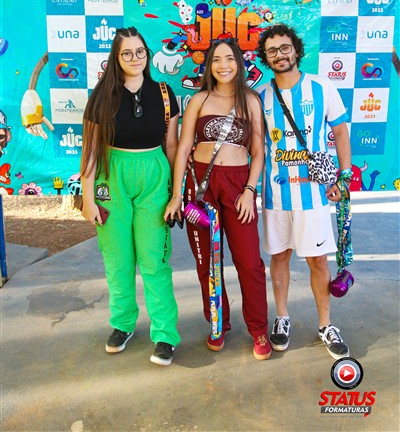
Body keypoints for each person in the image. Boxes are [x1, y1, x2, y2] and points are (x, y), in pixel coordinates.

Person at [165, 38, 271, 360]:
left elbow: (258, 152)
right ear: (209, 66)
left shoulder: (250, 101)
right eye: (216, 60)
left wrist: (250, 190)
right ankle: (217, 323)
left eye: (229, 59)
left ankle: (258, 328)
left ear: (239, 63)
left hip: (238, 187)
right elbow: (184, 146)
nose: (223, 65)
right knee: (207, 263)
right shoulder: (199, 100)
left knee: (250, 263)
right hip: (200, 188)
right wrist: (176, 195)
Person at [80, 26, 180, 366]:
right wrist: (88, 199)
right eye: (127, 53)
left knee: (155, 261)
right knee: (117, 259)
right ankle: (122, 324)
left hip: (154, 178)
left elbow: (172, 147)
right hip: (112, 178)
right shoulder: (101, 96)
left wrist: (176, 194)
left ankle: (165, 334)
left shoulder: (164, 94)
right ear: (116, 57)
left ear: (147, 54)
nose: (135, 58)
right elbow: (90, 151)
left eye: (140, 52)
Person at [256, 23, 351, 359]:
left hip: (314, 196)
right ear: (265, 57)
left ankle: (326, 324)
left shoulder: (322, 87)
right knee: (279, 256)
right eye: (272, 51)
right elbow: (256, 147)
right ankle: (282, 318)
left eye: (285, 48)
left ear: (296, 49)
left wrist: (343, 177)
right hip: (276, 196)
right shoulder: (260, 96)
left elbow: (340, 133)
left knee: (317, 260)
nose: (280, 55)